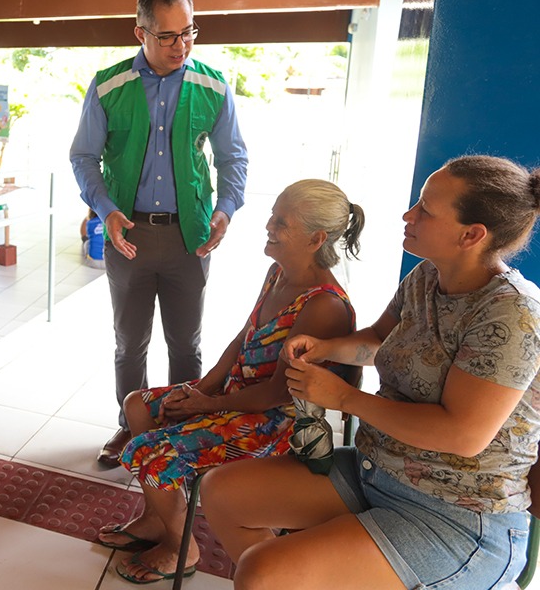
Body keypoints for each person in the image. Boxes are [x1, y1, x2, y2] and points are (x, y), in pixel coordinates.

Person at [201, 156, 540, 590]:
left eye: (425, 209)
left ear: (471, 235)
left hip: (457, 514)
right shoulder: (425, 277)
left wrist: (343, 397)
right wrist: (324, 347)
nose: (408, 215)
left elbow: (462, 434)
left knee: (263, 574)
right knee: (222, 493)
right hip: (376, 470)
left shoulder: (511, 314)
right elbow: (380, 338)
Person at [100, 179, 363, 583]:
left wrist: (207, 405)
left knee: (148, 453)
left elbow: (277, 394)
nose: (269, 226)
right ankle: (157, 520)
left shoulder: (323, 305)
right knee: (137, 404)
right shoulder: (278, 273)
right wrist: (202, 389)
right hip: (236, 397)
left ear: (316, 239)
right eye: (273, 216)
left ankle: (181, 547)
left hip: (272, 424)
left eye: (281, 222)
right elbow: (244, 336)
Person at [70, 0, 248, 467]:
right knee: (130, 343)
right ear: (140, 33)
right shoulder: (109, 86)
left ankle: (179, 432)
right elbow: (83, 157)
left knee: (186, 344)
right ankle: (132, 428)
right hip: (129, 234)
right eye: (167, 35)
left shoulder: (213, 86)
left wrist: (226, 209)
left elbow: (233, 158)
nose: (181, 45)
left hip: (190, 237)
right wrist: (106, 210)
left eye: (188, 31)